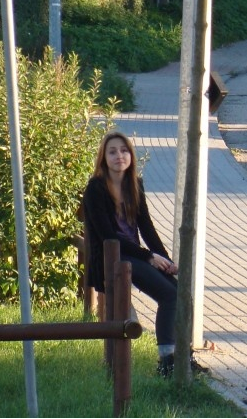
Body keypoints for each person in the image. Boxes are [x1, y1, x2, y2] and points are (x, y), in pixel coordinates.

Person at [82, 131, 200, 378]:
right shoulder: (95, 188)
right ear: (103, 157)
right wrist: (149, 257)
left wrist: (164, 259)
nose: (119, 156)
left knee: (181, 294)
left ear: (131, 156)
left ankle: (182, 357)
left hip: (134, 254)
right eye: (112, 151)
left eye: (124, 151)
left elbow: (146, 226)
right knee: (169, 296)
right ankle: (167, 362)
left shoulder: (135, 184)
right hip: (113, 258)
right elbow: (108, 236)